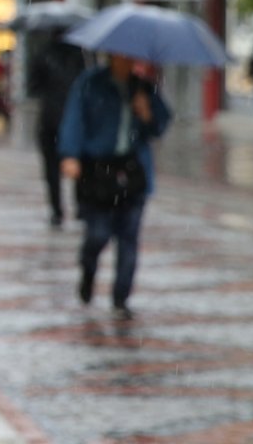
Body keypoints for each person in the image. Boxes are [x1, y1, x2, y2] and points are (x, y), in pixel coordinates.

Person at [58, 52, 171, 320]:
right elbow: (74, 120)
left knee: (128, 238)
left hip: (132, 171)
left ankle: (121, 298)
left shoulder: (143, 87)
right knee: (98, 234)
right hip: (97, 171)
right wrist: (70, 154)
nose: (127, 61)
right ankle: (88, 270)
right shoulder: (89, 83)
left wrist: (146, 114)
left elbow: (161, 124)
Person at [27, 29, 88, 228]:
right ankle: (80, 208)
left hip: (51, 119)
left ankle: (57, 211)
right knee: (78, 163)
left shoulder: (44, 54)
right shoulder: (79, 55)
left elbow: (32, 87)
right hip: (74, 118)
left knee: (52, 168)